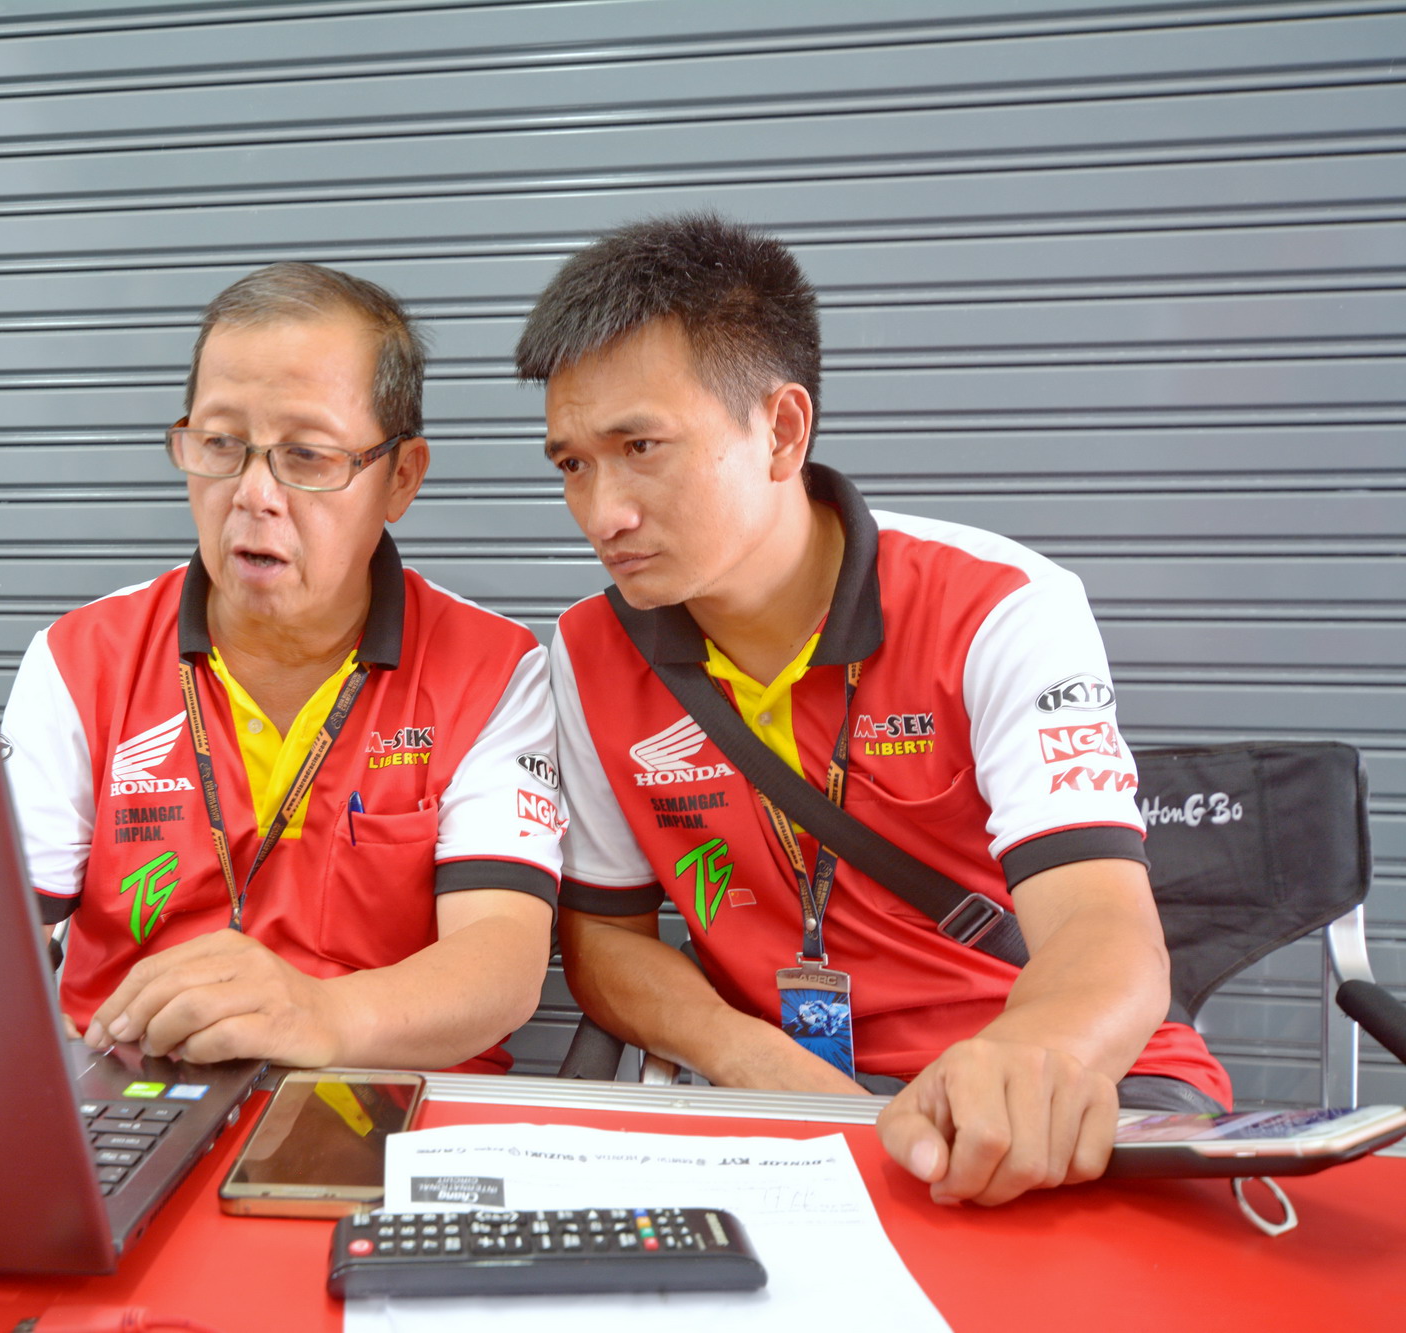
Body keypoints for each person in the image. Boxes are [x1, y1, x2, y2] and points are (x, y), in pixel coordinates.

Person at [517, 214, 1231, 1204]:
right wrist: (749, 1057)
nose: (602, 514)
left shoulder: (997, 606)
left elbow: (1102, 926)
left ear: (781, 430)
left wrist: (1025, 1062)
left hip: (1052, 1081)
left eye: (641, 446)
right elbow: (606, 943)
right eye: (572, 464)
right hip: (786, 1105)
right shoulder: (588, 650)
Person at [0, 262, 559, 1074]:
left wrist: (320, 1014)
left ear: (401, 477)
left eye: (306, 455)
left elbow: (502, 960)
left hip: (385, 1097)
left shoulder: (492, 672)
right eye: (221, 444)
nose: (253, 494)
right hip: (133, 1093)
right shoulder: (80, 659)